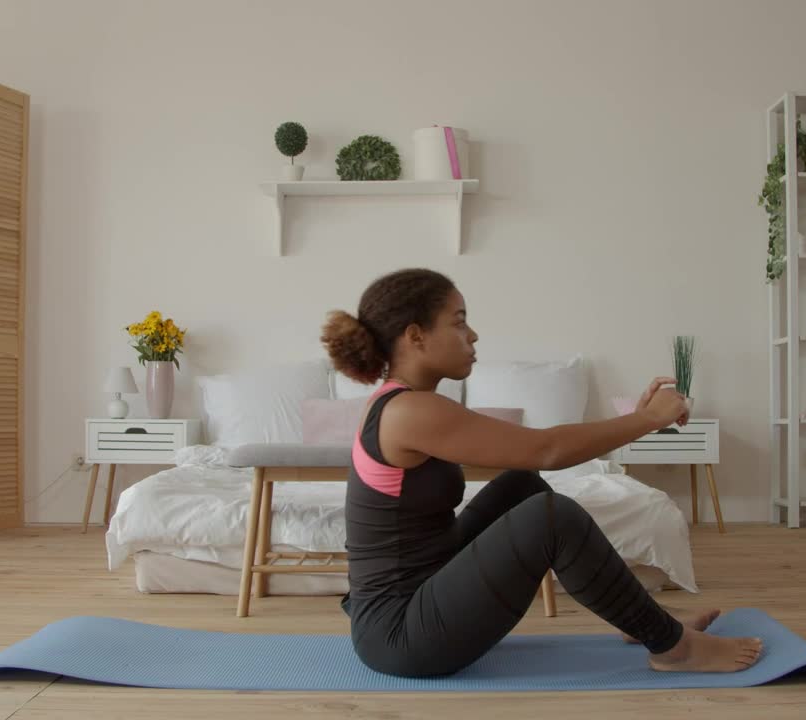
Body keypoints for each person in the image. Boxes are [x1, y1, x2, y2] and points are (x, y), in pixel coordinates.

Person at [319, 268, 763, 679]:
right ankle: (674, 649)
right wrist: (647, 420)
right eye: (458, 322)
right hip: (399, 635)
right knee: (550, 516)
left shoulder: (403, 403)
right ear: (416, 336)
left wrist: (640, 417)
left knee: (521, 485)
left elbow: (530, 455)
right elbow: (547, 448)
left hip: (419, 593)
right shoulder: (409, 411)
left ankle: (640, 622)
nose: (473, 335)